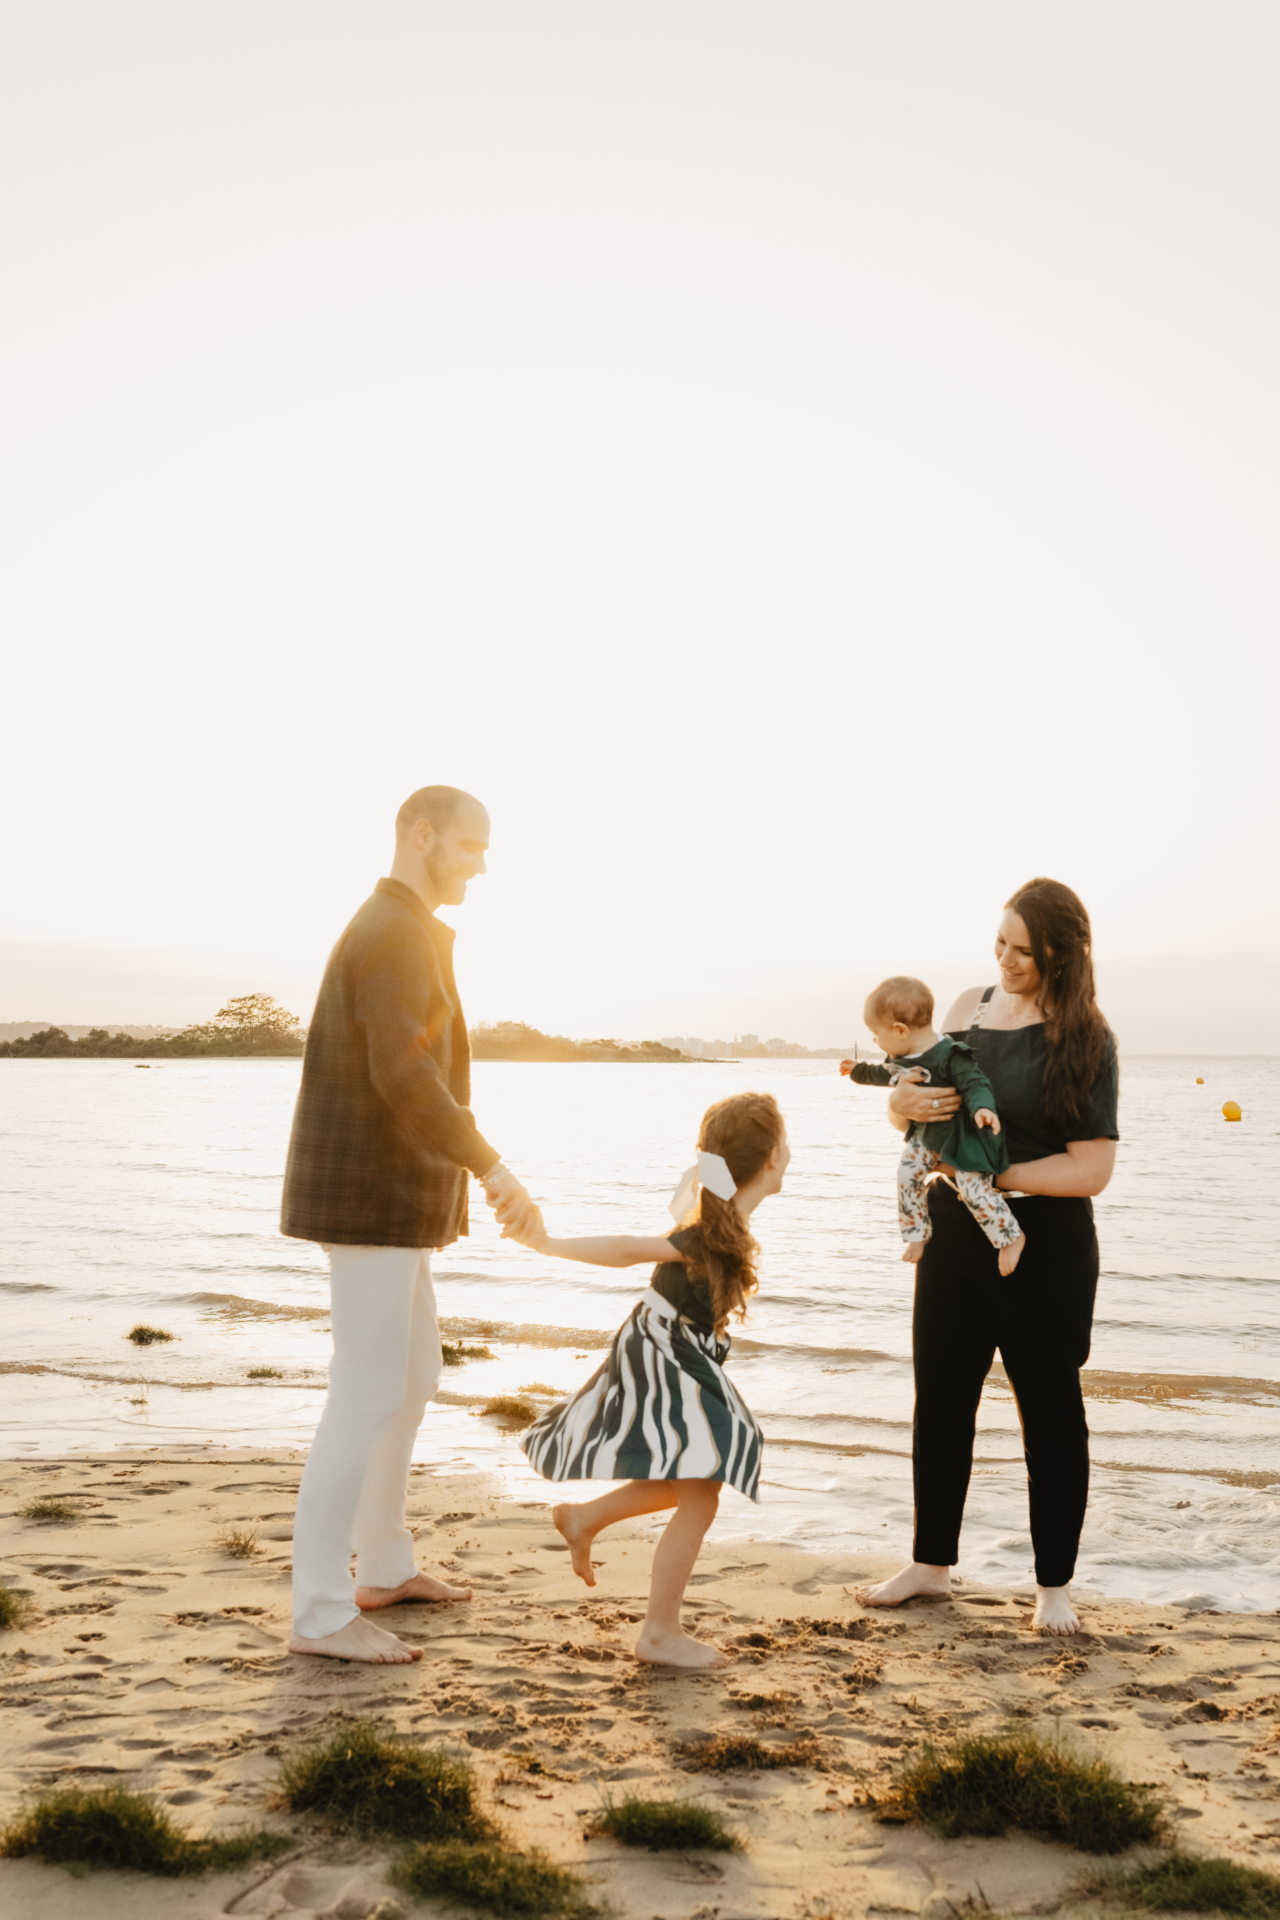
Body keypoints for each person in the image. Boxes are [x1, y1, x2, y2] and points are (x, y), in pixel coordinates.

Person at [280, 784, 541, 1665]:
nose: (481, 863)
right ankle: (319, 1612)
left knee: (413, 1374)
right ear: (422, 836)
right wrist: (493, 1166)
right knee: (363, 1391)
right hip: (370, 1203)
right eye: (470, 845)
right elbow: (405, 1073)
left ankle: (383, 1567)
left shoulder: (404, 927)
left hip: (390, 1204)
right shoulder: (392, 931)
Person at [860, 878, 1118, 1636]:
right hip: (953, 1236)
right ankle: (931, 1566)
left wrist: (994, 1176)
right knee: (939, 1403)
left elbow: (1091, 1170)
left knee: (1050, 1415)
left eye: (1023, 952)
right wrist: (897, 1106)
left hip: (1045, 1245)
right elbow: (924, 1101)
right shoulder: (968, 1007)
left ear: (1061, 958)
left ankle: (1054, 1588)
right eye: (998, 944)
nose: (1004, 961)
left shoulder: (1088, 1039)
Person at [512, 1091, 789, 1669]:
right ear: (770, 1160)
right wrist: (545, 1243)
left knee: (698, 1476)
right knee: (708, 1476)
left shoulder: (723, 1216)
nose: (789, 1150)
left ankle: (585, 1517)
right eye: (784, 1141)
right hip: (664, 1349)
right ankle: (659, 1633)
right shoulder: (708, 1231)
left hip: (675, 1347)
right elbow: (626, 1248)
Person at [841, 975, 1025, 1275]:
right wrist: (856, 1070)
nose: (874, 1040)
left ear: (900, 1030)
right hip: (928, 1137)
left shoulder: (950, 1054)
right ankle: (917, 1234)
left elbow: (976, 1083)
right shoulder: (900, 1058)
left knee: (972, 1186)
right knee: (907, 1173)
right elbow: (880, 1074)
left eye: (875, 1033)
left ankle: (1010, 1237)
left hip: (961, 1136)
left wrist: (983, 1109)